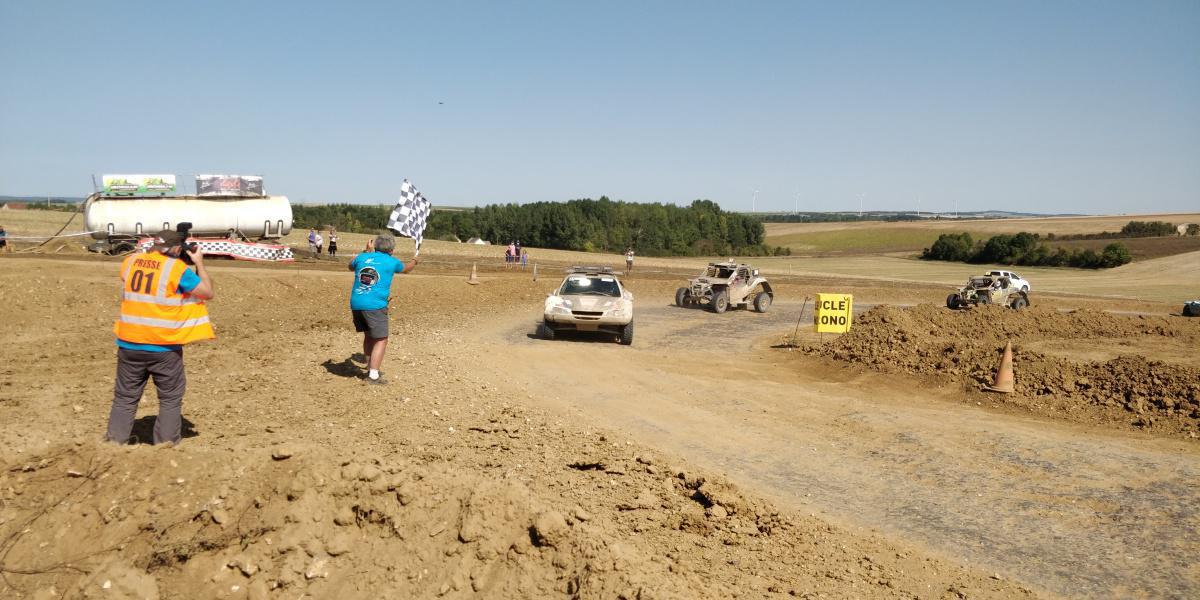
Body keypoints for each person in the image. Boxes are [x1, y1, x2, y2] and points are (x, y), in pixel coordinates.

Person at [105, 230, 214, 445]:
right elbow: (207, 293)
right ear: (176, 248)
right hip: (163, 347)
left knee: (125, 398)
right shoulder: (176, 268)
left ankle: (113, 445)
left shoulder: (130, 261)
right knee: (170, 399)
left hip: (129, 343)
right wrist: (199, 263)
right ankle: (164, 447)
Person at [349, 234, 417, 384]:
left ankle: (370, 367)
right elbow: (406, 269)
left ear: (375, 246)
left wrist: (366, 251)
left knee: (369, 336)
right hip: (374, 306)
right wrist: (415, 260)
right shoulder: (392, 261)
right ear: (391, 250)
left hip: (356, 303)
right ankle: (373, 375)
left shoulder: (362, 257)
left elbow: (350, 266)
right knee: (381, 339)